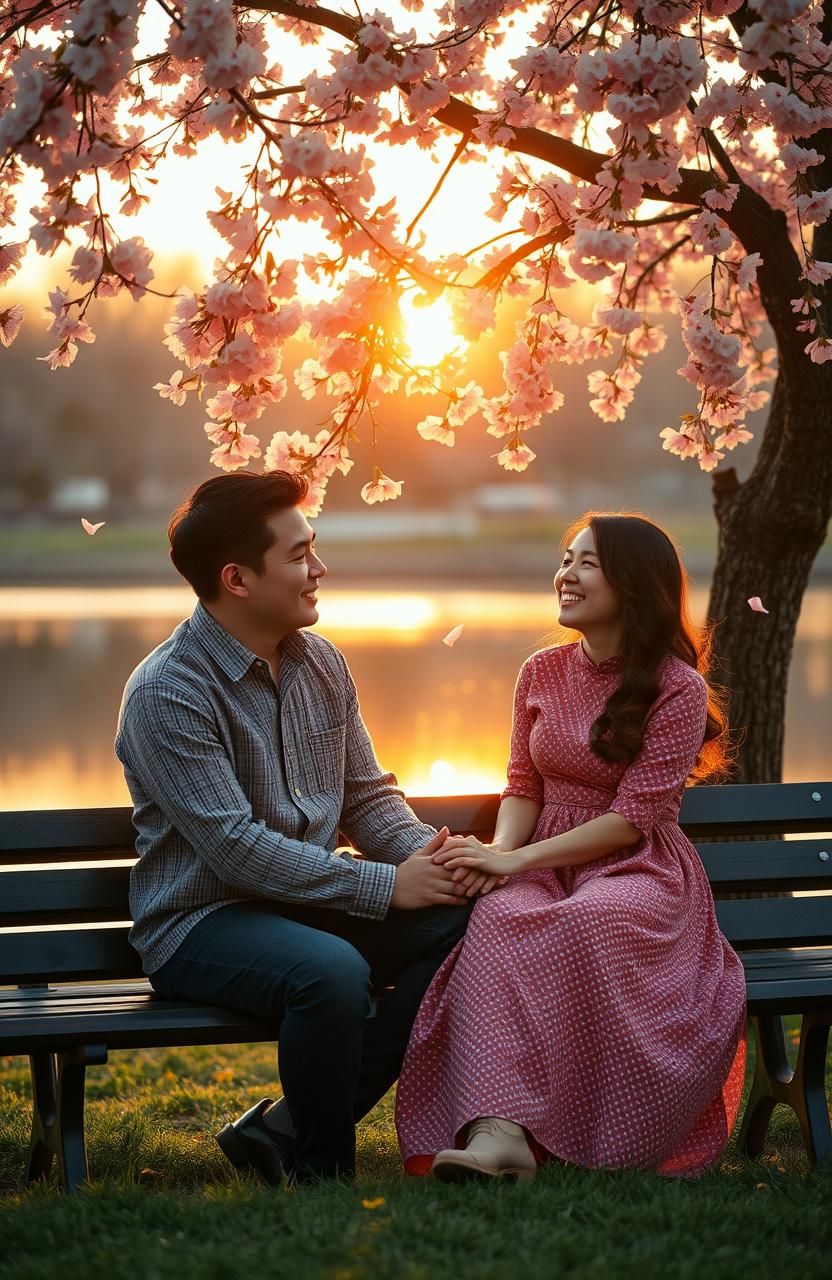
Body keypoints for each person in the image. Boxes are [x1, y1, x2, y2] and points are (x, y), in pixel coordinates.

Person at [115, 470, 495, 1184]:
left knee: (471, 923)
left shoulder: (322, 663)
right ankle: (322, 1174)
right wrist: (385, 887)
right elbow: (235, 853)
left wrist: (433, 864)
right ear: (238, 579)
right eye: (298, 555)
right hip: (201, 923)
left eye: (312, 548)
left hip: (306, 902)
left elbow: (367, 799)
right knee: (330, 973)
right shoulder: (167, 692)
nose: (318, 569)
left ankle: (285, 1130)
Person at [395, 512, 748, 1182]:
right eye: (565, 558)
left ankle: (591, 1129)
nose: (567, 574)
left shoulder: (677, 688)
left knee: (592, 919)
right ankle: (501, 1136)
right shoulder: (541, 670)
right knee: (498, 919)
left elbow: (635, 816)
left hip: (636, 864)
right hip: (541, 853)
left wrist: (515, 860)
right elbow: (522, 784)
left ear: (634, 583)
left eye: (587, 562)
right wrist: (497, 855)